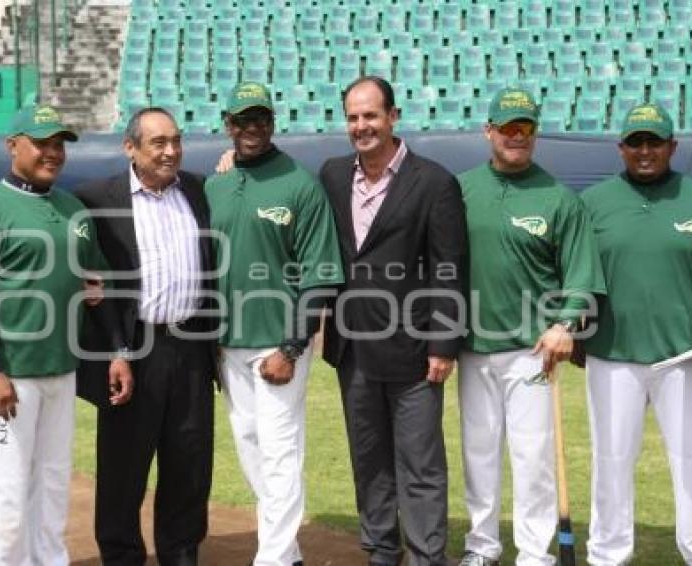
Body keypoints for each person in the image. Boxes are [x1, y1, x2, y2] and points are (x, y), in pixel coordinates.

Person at [0, 104, 133, 565]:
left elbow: (97, 288)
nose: (53, 152)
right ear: (13, 146)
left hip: (61, 372)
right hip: (9, 375)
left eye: (59, 143)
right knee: (6, 493)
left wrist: (119, 351)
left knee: (52, 481)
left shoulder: (73, 210)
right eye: (42, 142)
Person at [318, 76, 468, 566]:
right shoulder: (333, 175)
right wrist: (233, 161)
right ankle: (382, 550)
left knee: (420, 464)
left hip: (414, 349)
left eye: (371, 115)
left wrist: (444, 344)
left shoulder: (434, 181)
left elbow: (450, 268)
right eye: (354, 117)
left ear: (393, 117)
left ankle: (427, 556)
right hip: (353, 348)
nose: (362, 126)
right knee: (369, 460)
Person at [456, 87, 605, 566]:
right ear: (489, 131)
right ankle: (482, 547)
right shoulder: (459, 189)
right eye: (508, 127)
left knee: (533, 458)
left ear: (536, 133)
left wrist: (566, 324)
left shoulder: (560, 198)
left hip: (532, 350)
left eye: (526, 128)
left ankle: (535, 553)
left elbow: (582, 273)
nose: (516, 136)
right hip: (472, 345)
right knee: (479, 456)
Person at [205, 81, 344, 566]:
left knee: (282, 450)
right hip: (228, 344)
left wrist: (293, 345)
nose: (253, 127)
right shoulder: (215, 183)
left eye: (261, 118)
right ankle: (286, 549)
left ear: (273, 122)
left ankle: (275, 558)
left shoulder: (299, 184)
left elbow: (320, 275)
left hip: (279, 344)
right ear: (228, 125)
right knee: (250, 447)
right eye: (243, 119)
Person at [74, 107, 217, 566]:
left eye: (175, 140)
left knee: (189, 462)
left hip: (192, 346)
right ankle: (121, 556)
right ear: (129, 147)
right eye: (158, 142)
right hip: (132, 351)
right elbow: (89, 283)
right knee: (123, 468)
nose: (170, 151)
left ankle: (181, 553)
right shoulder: (96, 199)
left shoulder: (196, 189)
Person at [580, 102, 692, 565]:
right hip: (613, 353)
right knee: (611, 462)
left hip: (686, 355)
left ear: (674, 145)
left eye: (654, 141)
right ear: (620, 147)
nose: (645, 150)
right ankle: (608, 555)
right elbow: (576, 274)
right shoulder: (592, 202)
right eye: (636, 142)